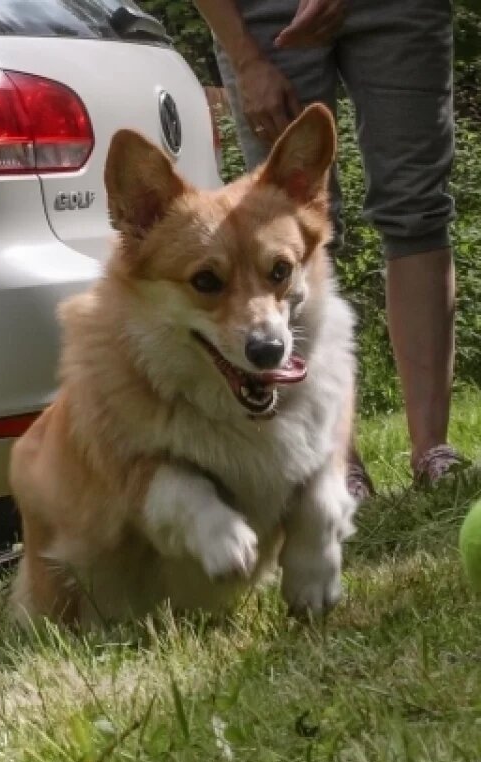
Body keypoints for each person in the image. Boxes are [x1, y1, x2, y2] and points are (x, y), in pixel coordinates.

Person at [192, 0, 465, 499]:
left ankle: (433, 451)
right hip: (260, 19)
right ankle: (338, 462)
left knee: (418, 210)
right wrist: (246, 60)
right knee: (282, 231)